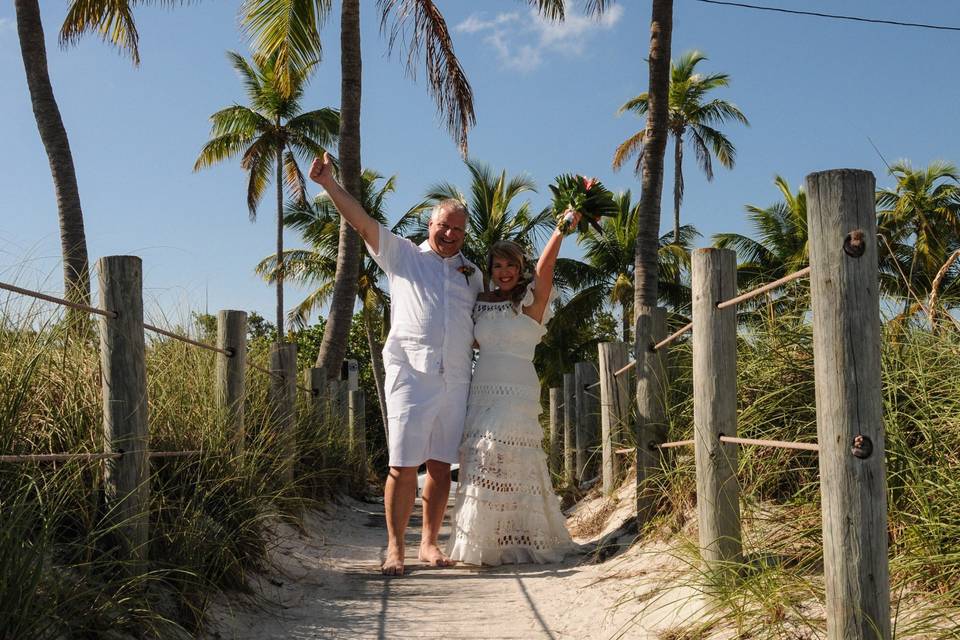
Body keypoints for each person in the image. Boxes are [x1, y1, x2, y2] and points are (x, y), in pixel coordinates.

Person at [308, 153, 483, 576]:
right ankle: (394, 548)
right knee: (402, 466)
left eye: (459, 230)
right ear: (431, 226)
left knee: (442, 467)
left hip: (456, 377)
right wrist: (330, 184)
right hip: (409, 375)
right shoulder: (403, 255)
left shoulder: (472, 273)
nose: (451, 235)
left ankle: (427, 545)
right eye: (445, 226)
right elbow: (363, 222)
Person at [446, 212, 581, 566]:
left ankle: (522, 539)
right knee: (482, 460)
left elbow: (547, 267)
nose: (504, 271)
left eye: (511, 265)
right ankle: (490, 543)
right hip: (481, 390)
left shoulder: (531, 301)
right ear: (489, 270)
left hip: (517, 391)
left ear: (521, 268)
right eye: (497, 266)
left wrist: (560, 228)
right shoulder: (481, 302)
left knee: (502, 455)